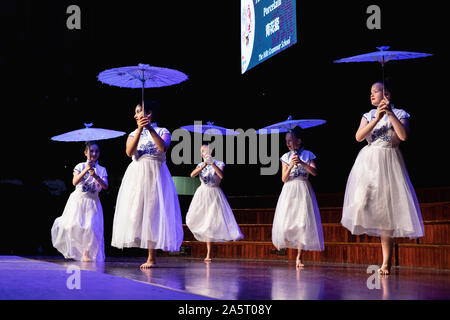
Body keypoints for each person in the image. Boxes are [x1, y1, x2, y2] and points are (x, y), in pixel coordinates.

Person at [341, 81, 424, 275]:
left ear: (386, 94)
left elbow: (403, 136)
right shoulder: (368, 114)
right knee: (362, 200)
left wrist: (389, 114)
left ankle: (386, 262)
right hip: (368, 162)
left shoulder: (402, 113)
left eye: (375, 91)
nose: (371, 95)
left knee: (386, 216)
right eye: (370, 92)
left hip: (389, 162)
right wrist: (376, 118)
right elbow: (359, 137)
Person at [111, 101, 183, 268]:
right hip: (137, 176)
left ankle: (152, 257)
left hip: (156, 175)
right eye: (135, 112)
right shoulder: (132, 133)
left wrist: (149, 128)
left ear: (148, 114)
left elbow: (162, 147)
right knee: (137, 212)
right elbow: (129, 152)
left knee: (153, 213)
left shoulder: (162, 131)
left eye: (139, 112)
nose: (135, 115)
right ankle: (146, 252)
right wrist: (140, 131)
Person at [272, 127, 324, 268]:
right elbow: (283, 178)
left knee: (302, 222)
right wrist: (290, 166)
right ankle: (286, 245)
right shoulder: (285, 157)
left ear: (299, 140)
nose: (288, 143)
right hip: (289, 190)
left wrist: (301, 162)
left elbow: (314, 172)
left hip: (303, 188)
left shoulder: (307, 154)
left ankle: (299, 257)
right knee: (287, 221)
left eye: (291, 140)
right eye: (286, 141)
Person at [51, 141, 108, 262]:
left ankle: (86, 253)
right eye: (91, 151)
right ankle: (79, 248)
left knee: (91, 228)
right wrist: (86, 169)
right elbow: (74, 182)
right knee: (73, 225)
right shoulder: (80, 166)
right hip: (78, 200)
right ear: (85, 152)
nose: (94, 153)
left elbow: (105, 186)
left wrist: (96, 176)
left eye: (96, 151)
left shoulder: (102, 169)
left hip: (92, 202)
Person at [186, 143, 243, 262]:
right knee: (203, 222)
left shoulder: (219, 163)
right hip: (202, 194)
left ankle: (209, 254)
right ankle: (208, 253)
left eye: (205, 151)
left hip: (214, 194)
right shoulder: (200, 164)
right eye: (202, 151)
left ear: (211, 151)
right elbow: (192, 175)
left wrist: (212, 163)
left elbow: (221, 175)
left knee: (211, 223)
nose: (203, 153)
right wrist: (203, 166)